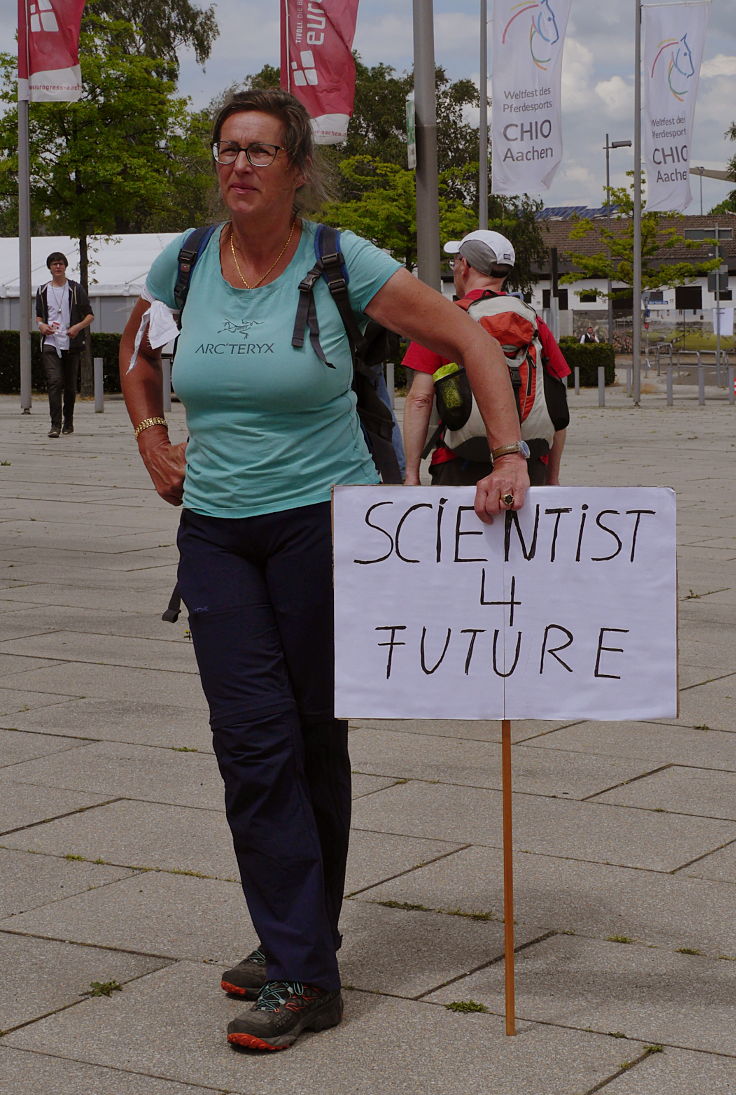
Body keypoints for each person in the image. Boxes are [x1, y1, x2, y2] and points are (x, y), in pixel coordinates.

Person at [119, 89, 529, 1053]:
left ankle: (297, 943)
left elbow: (471, 339)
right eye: (228, 150)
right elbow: (137, 358)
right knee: (252, 741)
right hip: (218, 533)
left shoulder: (341, 261)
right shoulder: (183, 262)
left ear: (298, 167)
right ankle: (303, 960)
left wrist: (508, 453)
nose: (240, 166)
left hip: (325, 526)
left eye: (262, 151)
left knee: (310, 738)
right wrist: (149, 433)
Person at [403, 229, 570, 488]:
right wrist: (552, 477)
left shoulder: (443, 319)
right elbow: (557, 401)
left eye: (455, 260)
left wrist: (411, 474)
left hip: (458, 461)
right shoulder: (533, 322)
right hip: (527, 464)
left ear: (465, 265)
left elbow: (420, 399)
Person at [35, 253, 94, 437]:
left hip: (71, 342)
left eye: (60, 264)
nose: (58, 267)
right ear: (50, 268)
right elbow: (39, 316)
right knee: (54, 382)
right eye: (54, 264)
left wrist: (77, 327)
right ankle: (55, 425)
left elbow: (90, 315)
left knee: (69, 385)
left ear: (65, 266)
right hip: (51, 342)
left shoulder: (76, 289)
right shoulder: (42, 290)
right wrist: (41, 326)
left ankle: (68, 421)